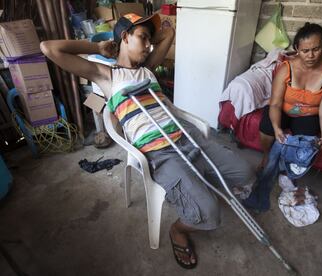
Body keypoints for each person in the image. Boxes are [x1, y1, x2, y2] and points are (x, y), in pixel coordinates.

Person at [40, 13, 255, 269]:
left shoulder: (147, 68)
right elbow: (48, 48)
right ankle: (178, 230)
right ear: (124, 36)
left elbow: (169, 33)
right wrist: (97, 47)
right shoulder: (106, 75)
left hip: (187, 135)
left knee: (244, 172)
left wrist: (151, 32)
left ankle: (198, 181)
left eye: (149, 40)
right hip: (161, 152)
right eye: (142, 37)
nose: (148, 45)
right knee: (209, 214)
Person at [258, 22, 322, 170]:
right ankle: (266, 156)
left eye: (316, 49)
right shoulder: (286, 68)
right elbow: (275, 103)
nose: (311, 56)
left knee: (306, 142)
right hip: (283, 110)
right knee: (267, 124)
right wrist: (277, 128)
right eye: (305, 51)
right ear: (297, 49)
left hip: (309, 115)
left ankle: (288, 167)